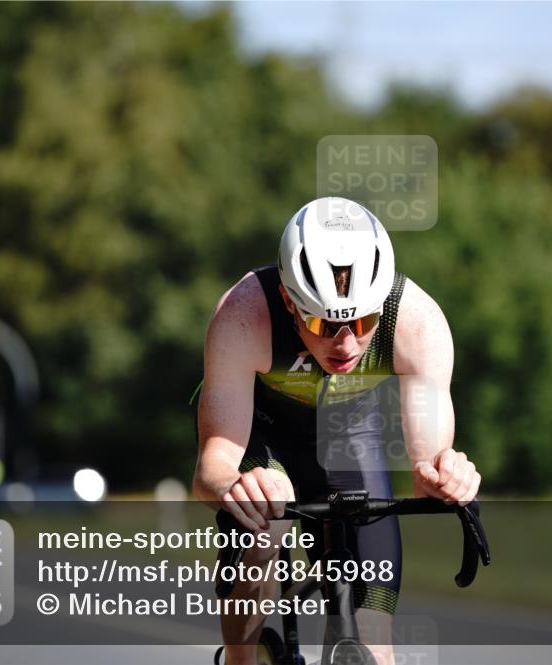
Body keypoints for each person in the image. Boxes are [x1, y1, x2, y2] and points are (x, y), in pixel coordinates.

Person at [193, 197, 481, 665]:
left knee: (376, 650)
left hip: (351, 439)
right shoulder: (244, 314)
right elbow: (212, 468)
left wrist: (445, 476)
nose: (344, 343)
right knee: (267, 522)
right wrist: (236, 485)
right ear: (289, 300)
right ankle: (242, 658)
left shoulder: (416, 322)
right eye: (322, 323)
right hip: (263, 438)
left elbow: (428, 463)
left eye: (362, 321)